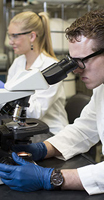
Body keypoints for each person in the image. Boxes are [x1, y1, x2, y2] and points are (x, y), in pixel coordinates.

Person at [0, 9, 104, 200]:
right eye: (71, 61)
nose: (75, 70)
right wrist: (43, 149)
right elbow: (83, 130)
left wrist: (52, 177)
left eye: (80, 61)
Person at [5, 11, 68, 140]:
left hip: (50, 134)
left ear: (32, 36)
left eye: (15, 36)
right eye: (9, 36)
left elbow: (36, 112)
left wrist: (8, 97)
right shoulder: (18, 63)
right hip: (25, 128)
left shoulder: (51, 67)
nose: (11, 42)